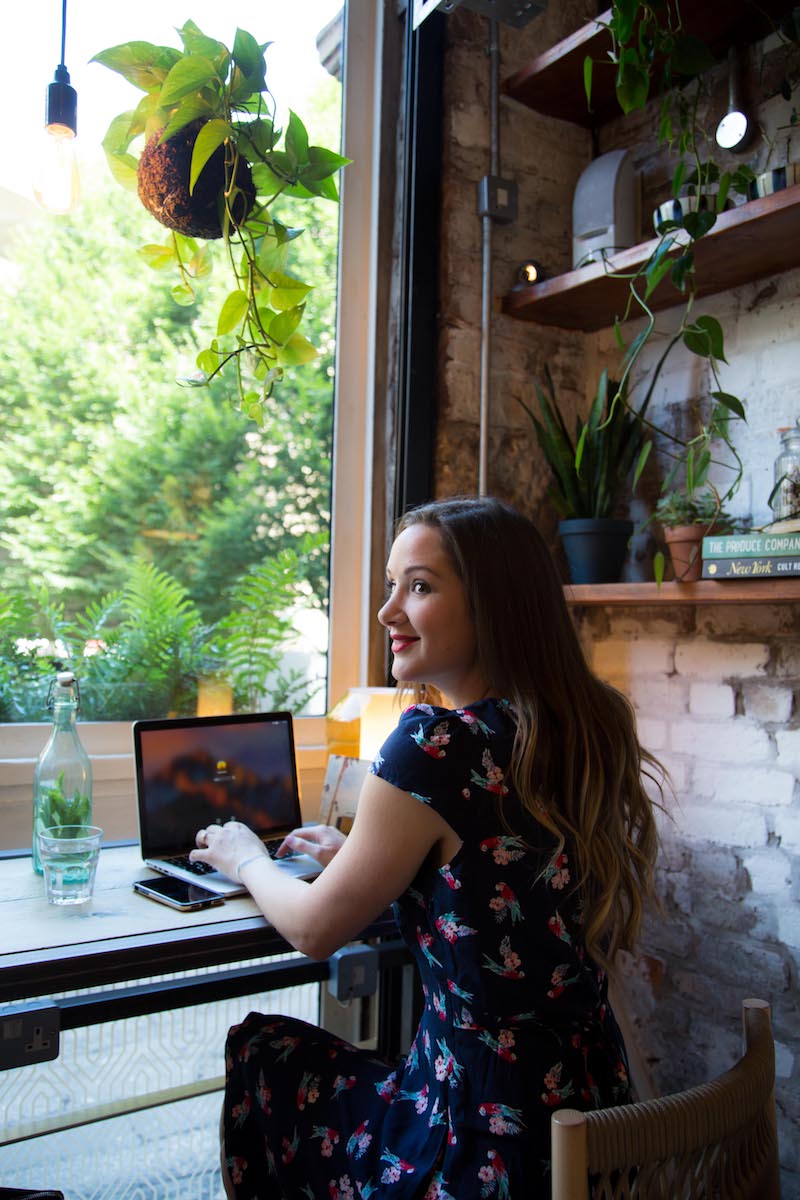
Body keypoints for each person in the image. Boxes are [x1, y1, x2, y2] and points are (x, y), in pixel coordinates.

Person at [191, 495, 663, 1199]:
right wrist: (362, 859)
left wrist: (246, 859)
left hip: (478, 1140)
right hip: (594, 1116)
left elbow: (315, 930)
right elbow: (505, 879)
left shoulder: (434, 743)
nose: (389, 611)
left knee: (266, 1054)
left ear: (493, 603)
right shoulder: (588, 725)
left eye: (419, 586)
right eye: (391, 585)